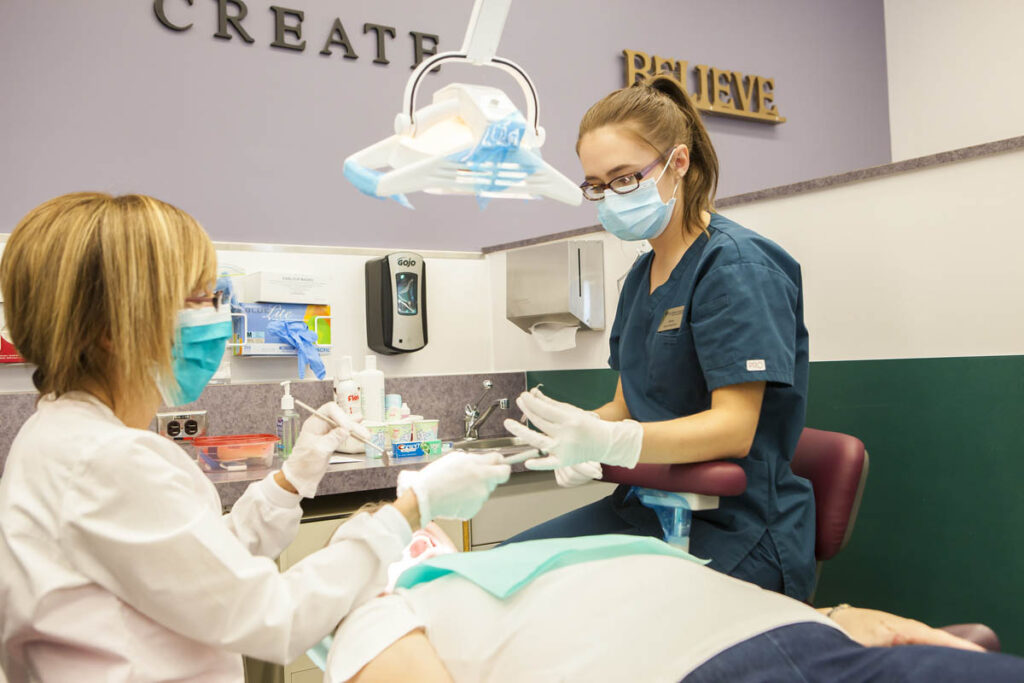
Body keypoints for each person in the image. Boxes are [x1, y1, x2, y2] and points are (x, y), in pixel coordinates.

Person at [0, 192, 510, 682]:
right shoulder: (105, 460)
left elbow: (197, 564)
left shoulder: (62, 436)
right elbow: (274, 618)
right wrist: (414, 508)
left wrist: (290, 480)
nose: (216, 313)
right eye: (197, 297)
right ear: (111, 328)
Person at [504, 76, 816, 600]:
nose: (609, 197)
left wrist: (611, 442)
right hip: (646, 506)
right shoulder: (641, 277)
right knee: (502, 578)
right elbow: (627, 407)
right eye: (597, 186)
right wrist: (574, 432)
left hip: (738, 527)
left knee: (563, 616)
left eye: (624, 178)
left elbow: (734, 430)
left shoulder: (737, 267)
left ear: (678, 162)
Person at [321, 527, 1024, 682]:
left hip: (805, 636)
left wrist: (835, 615)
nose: (418, 536)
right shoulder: (377, 606)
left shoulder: (587, 547)